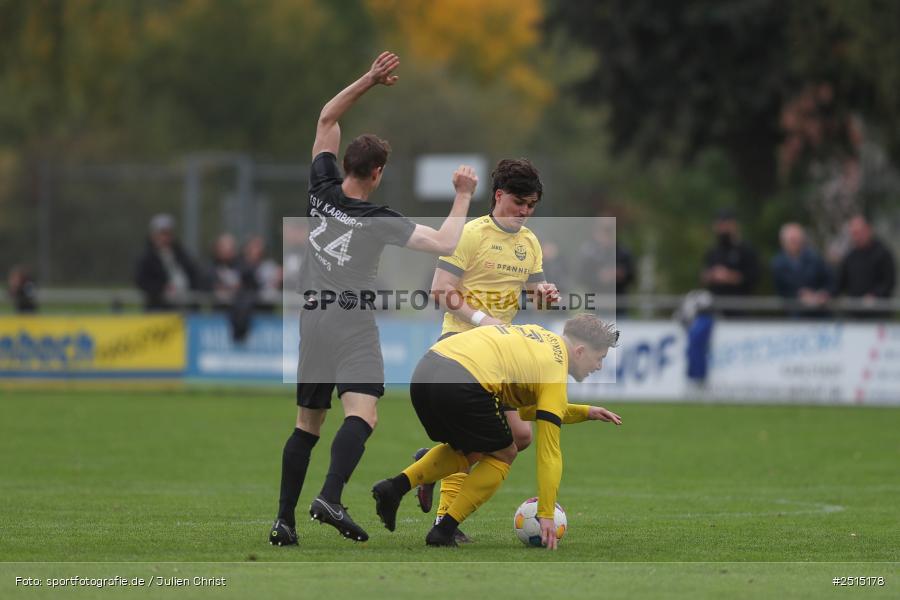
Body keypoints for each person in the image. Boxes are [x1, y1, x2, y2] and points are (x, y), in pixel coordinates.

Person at [269, 51, 477, 547]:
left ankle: (284, 522)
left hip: (311, 320)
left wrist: (368, 79)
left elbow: (327, 116)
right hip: (351, 323)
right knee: (363, 414)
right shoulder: (379, 219)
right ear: (378, 171)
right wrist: (465, 194)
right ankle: (330, 496)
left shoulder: (320, 188)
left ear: (344, 164)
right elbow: (447, 243)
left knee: (306, 425)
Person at [371, 313, 622, 548]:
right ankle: (444, 531)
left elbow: (526, 410)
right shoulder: (555, 371)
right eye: (599, 358)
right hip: (465, 384)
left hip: (425, 373)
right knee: (504, 453)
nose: (599, 366)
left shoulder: (536, 335)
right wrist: (546, 513)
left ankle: (393, 488)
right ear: (579, 351)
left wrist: (585, 412)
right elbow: (549, 454)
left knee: (470, 448)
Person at [412, 158, 560, 543]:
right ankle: (446, 521)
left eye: (531, 206)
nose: (525, 212)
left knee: (520, 438)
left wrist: (544, 295)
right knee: (485, 439)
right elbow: (440, 291)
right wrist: (482, 321)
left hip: (499, 353)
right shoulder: (470, 234)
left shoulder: (529, 243)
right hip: (459, 348)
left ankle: (432, 468)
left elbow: (536, 295)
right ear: (498, 196)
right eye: (519, 203)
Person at [134, 214, 201, 311]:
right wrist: (162, 289)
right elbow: (141, 280)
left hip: (186, 305)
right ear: (153, 235)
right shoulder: (146, 257)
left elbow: (195, 274)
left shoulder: (181, 254)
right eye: (162, 233)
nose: (165, 237)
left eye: (168, 233)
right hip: (160, 308)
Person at [835, 215, 895, 317]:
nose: (856, 237)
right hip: (854, 315)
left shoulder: (883, 253)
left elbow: (889, 282)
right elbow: (840, 283)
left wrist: (875, 295)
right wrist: (825, 294)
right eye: (853, 233)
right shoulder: (850, 256)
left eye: (858, 233)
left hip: (877, 315)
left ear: (868, 230)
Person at [700, 209, 759, 314]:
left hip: (739, 309)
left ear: (734, 225)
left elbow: (752, 277)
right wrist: (712, 275)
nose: (722, 229)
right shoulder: (713, 251)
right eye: (720, 225)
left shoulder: (745, 250)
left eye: (725, 225)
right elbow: (704, 276)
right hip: (716, 309)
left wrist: (728, 276)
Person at [771, 223, 832, 317]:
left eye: (797, 239)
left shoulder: (815, 258)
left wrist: (823, 293)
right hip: (794, 314)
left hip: (819, 313)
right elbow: (780, 290)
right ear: (783, 242)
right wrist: (799, 295)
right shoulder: (778, 264)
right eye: (792, 240)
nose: (795, 243)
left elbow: (830, 281)